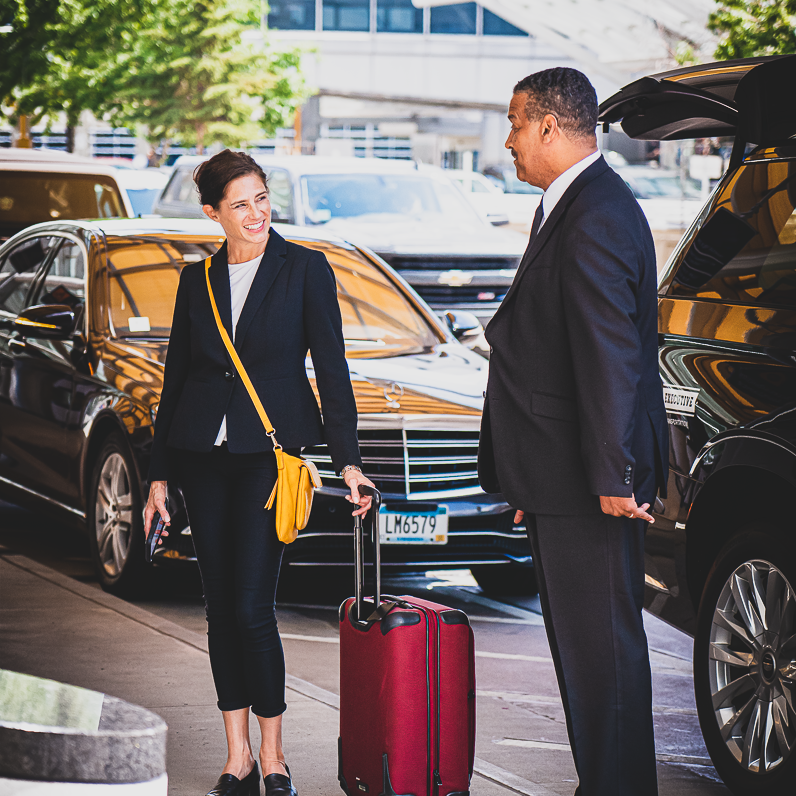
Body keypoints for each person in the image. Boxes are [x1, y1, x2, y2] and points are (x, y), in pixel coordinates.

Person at [144, 149, 375, 796]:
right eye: (240, 203)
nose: (256, 213)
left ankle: (274, 756)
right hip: (202, 459)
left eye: (262, 197)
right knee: (219, 610)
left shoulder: (304, 269)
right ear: (213, 212)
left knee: (251, 608)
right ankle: (237, 755)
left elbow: (332, 370)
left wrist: (348, 461)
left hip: (267, 462)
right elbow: (178, 379)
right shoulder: (199, 281)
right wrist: (160, 475)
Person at [478, 68, 668, 796]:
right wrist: (537, 477)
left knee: (602, 658)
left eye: (516, 123)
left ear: (550, 128)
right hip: (566, 479)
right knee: (584, 658)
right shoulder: (574, 204)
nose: (510, 138)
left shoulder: (594, 214)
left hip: (596, 486)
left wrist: (614, 478)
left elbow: (608, 356)